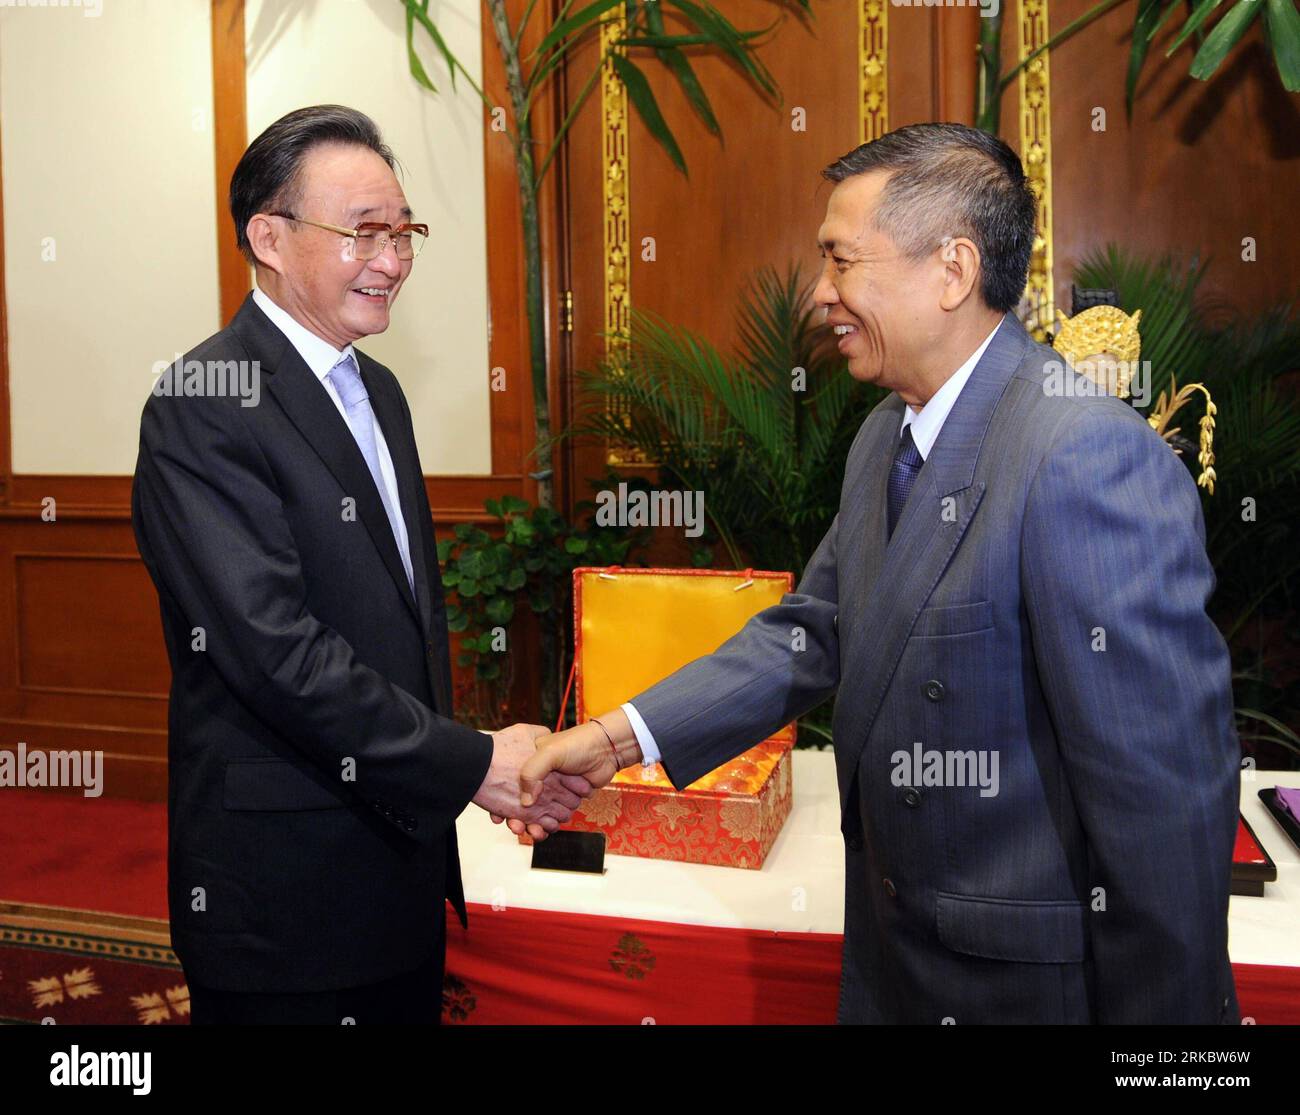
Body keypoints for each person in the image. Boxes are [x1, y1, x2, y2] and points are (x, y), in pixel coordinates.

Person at [520, 123, 1241, 1025]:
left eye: (841, 261)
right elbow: (815, 628)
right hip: (897, 966)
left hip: (1023, 993)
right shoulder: (883, 436)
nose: (821, 294)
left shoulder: (1084, 456)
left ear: (953, 270)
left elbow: (1161, 809)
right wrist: (618, 738)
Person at [132, 105, 586, 1024]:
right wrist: (471, 764)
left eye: (403, 231)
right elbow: (278, 655)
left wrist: (460, 771)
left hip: (396, 860)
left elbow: (394, 624)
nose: (393, 259)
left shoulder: (375, 387)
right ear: (268, 236)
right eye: (362, 233)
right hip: (287, 892)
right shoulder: (202, 402)